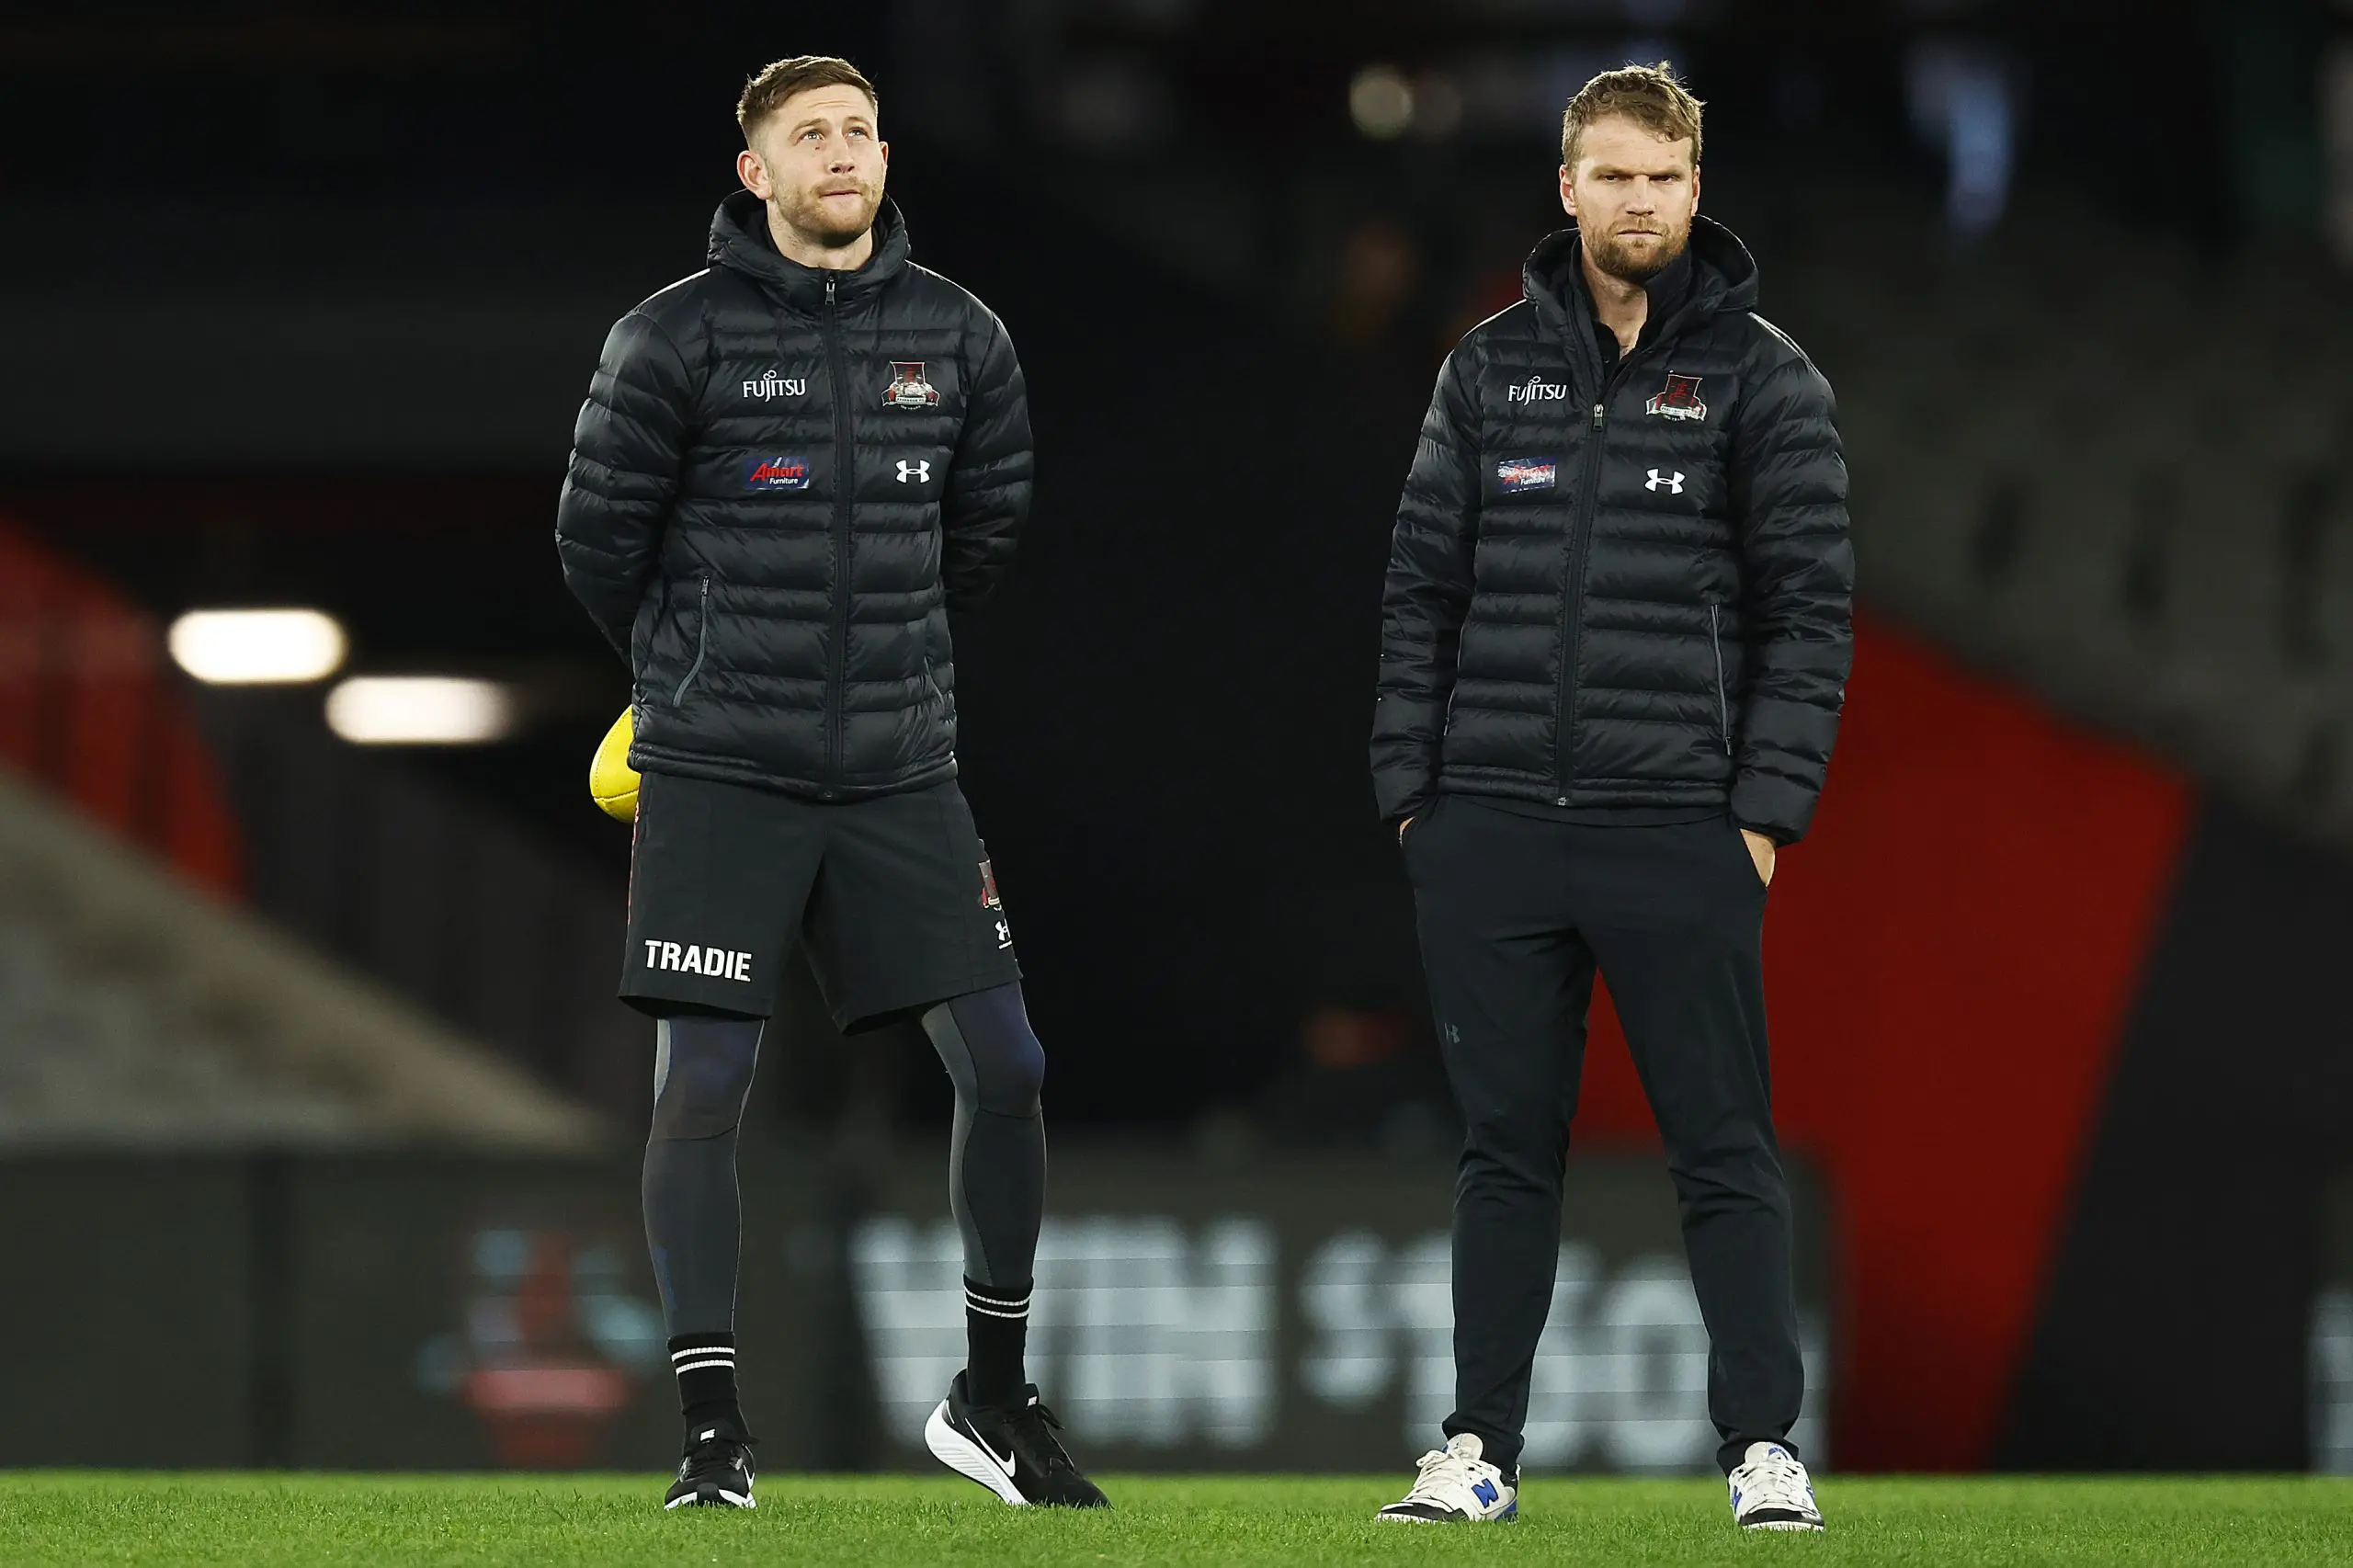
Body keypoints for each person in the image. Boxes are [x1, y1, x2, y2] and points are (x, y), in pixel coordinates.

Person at [554, 54, 1106, 1512]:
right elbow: (597, 542)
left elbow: (983, 534)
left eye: (861, 129)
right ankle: (714, 1441)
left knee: (1010, 1066)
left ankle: (990, 1401)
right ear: (757, 172)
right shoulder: (671, 339)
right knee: (706, 1087)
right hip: (720, 769)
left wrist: (861, 687)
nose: (846, 152)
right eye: (812, 134)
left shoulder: (963, 335)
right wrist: (702, 676)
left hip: (896, 769)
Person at [1369, 62, 1851, 1532]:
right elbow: (1418, 597)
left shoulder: (1768, 380)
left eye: (1662, 178)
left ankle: (1763, 1449)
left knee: (1722, 1145)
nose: (1638, 200)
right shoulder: (1483, 370)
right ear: (1566, 189)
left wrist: (1761, 816)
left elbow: (1811, 614)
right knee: (1504, 1150)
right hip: (1492, 826)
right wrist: (1414, 795)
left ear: (1697, 192)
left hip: (1679, 830)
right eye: (1613, 176)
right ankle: (1477, 1450)